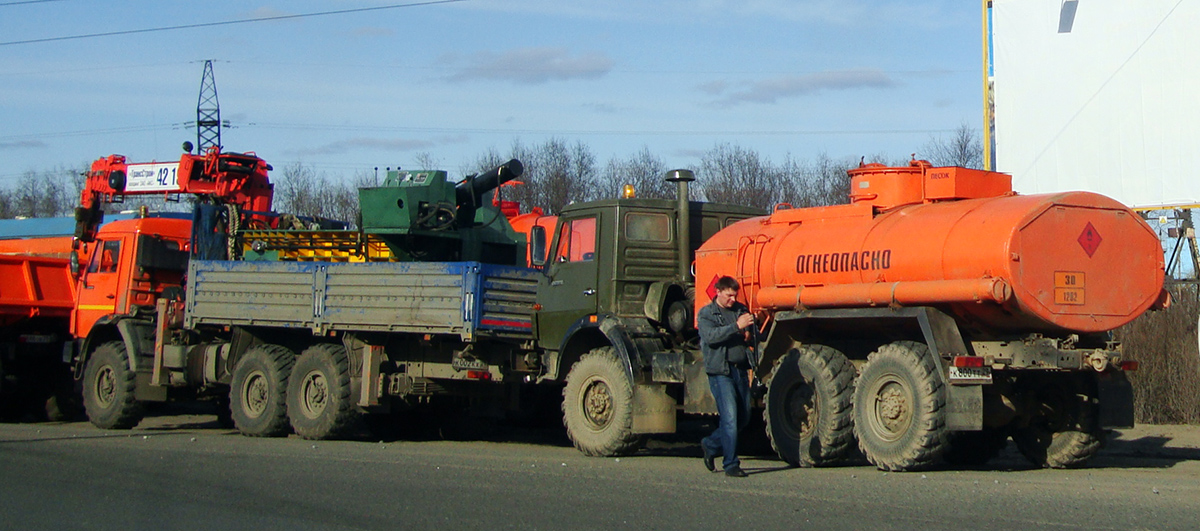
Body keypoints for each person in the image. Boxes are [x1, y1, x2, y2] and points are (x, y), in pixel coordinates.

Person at [697, 275, 759, 478]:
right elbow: (711, 337)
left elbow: (752, 332)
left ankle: (711, 444)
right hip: (720, 371)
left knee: (743, 417)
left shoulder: (740, 310)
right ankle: (731, 464)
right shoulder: (707, 314)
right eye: (729, 296)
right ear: (718, 292)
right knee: (730, 418)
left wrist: (750, 331)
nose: (733, 299)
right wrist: (737, 327)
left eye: (735, 295)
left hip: (740, 369)